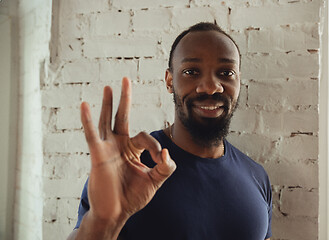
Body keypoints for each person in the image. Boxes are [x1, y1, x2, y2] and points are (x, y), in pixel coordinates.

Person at [67, 22, 272, 240]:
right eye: (191, 72)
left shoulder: (257, 178)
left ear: (240, 81)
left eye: (226, 72)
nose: (211, 86)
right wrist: (102, 222)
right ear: (169, 81)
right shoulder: (130, 168)